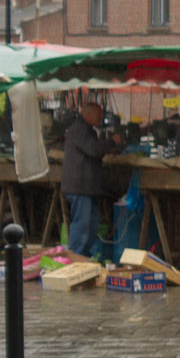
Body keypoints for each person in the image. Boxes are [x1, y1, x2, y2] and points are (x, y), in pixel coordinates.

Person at [62, 103, 119, 261]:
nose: (101, 118)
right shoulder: (80, 129)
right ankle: (74, 257)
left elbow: (93, 150)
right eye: (98, 115)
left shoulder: (87, 130)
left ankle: (84, 255)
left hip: (89, 186)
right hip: (80, 186)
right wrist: (111, 142)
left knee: (92, 223)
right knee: (82, 223)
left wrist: (106, 147)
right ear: (88, 115)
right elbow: (93, 149)